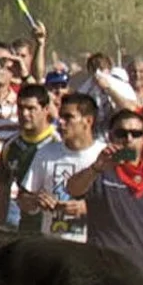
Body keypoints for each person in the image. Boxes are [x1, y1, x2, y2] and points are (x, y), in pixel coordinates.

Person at [67, 108, 143, 275]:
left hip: (139, 271)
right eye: (121, 133)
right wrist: (95, 168)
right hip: (103, 268)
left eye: (135, 133)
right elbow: (72, 188)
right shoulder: (101, 171)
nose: (128, 139)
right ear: (111, 137)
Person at [20, 92, 103, 241]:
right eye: (60, 117)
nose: (61, 122)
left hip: (93, 248)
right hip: (54, 246)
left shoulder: (104, 156)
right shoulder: (46, 153)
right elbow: (22, 199)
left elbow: (121, 206)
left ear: (88, 121)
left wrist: (88, 208)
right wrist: (35, 200)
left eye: (68, 117)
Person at [0, 83, 57, 230]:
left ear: (45, 110)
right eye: (20, 108)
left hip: (59, 228)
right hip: (27, 228)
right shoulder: (11, 145)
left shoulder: (59, 141)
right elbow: (2, 189)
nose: (24, 114)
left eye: (31, 108)